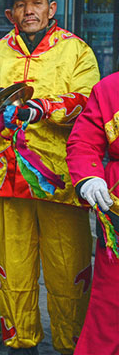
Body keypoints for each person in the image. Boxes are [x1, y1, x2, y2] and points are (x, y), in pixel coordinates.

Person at [0, 0, 100, 354]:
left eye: (37, 3)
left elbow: (85, 102)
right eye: (21, 5)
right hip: (5, 174)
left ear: (51, 9)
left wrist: (38, 108)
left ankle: (71, 341)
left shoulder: (76, 50)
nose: (29, 11)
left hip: (57, 174)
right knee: (12, 265)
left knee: (67, 264)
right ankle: (20, 339)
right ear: (10, 13)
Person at [66, 71, 119, 355]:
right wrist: (88, 177)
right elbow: (84, 142)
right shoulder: (110, 88)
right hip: (118, 212)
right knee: (111, 300)